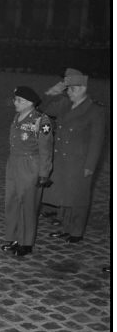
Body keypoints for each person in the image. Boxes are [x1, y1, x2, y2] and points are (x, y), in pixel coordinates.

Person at [41, 68, 106, 243]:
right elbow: (44, 109)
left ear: (81, 89)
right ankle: (66, 228)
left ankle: (76, 232)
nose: (67, 92)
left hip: (80, 161)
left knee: (79, 198)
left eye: (70, 89)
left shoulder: (94, 110)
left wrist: (90, 166)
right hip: (63, 159)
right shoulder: (66, 104)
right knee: (66, 195)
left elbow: (96, 142)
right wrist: (52, 92)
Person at [2, 86, 53, 257]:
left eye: (19, 100)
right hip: (14, 163)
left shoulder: (41, 120)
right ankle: (14, 237)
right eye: (15, 99)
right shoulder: (18, 116)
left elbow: (46, 148)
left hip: (30, 165)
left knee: (28, 204)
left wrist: (44, 173)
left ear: (30, 103)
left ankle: (26, 242)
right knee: (12, 201)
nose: (15, 102)